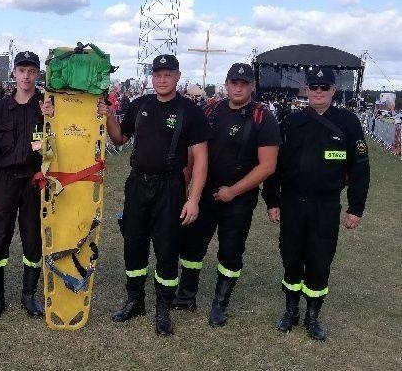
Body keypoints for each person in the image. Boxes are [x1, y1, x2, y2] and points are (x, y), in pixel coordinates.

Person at [98, 54, 210, 336]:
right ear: (152, 77)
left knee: (167, 248)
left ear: (178, 76)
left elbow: (201, 159)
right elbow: (119, 139)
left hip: (170, 188)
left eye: (167, 74)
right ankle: (135, 300)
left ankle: (163, 307)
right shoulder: (140, 105)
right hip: (137, 185)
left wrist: (193, 199)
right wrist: (110, 116)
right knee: (133, 243)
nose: (162, 79)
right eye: (157, 74)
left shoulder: (190, 111)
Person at [262, 67, 370, 341]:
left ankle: (312, 316)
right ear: (306, 90)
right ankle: (290, 311)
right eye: (314, 87)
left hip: (326, 205)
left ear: (333, 90)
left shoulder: (348, 122)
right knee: (291, 258)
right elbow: (275, 166)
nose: (318, 92)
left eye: (324, 87)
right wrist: (272, 199)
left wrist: (356, 207)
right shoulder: (291, 122)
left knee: (320, 261)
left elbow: (360, 168)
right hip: (293, 203)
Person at [172, 63, 280, 327]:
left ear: (252, 86)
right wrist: (187, 188)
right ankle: (186, 296)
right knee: (191, 245)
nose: (238, 87)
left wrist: (232, 191)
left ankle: (220, 305)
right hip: (205, 193)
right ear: (227, 84)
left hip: (239, 198)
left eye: (244, 83)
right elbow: (192, 151)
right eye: (234, 82)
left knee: (230, 252)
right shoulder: (210, 110)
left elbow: (268, 166)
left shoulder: (263, 117)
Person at [0, 51, 54, 320]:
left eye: (31, 71)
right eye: (22, 70)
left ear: (37, 74)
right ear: (14, 72)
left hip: (35, 182)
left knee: (32, 240)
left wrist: (53, 118)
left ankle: (29, 296)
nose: (26, 75)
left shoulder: (47, 107)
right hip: (4, 181)